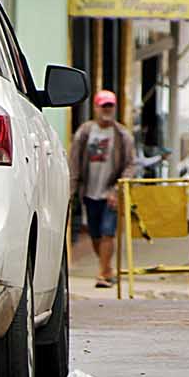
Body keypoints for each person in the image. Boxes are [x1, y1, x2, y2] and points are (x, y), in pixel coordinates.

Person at [69, 89, 136, 289]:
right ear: (96, 108)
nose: (107, 110)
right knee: (95, 233)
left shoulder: (123, 135)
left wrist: (118, 189)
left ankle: (102, 273)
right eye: (103, 106)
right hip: (89, 191)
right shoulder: (85, 132)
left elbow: (131, 164)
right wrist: (71, 189)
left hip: (110, 193)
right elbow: (74, 161)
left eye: (110, 106)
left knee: (108, 232)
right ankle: (106, 268)